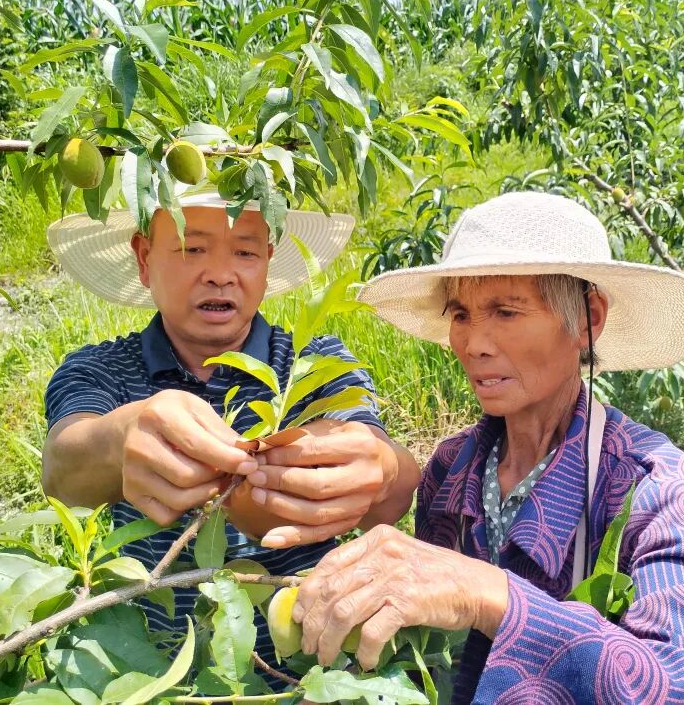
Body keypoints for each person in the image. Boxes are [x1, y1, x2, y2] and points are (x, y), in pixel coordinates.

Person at [291, 191, 684, 703]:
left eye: (506, 312)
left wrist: (490, 595)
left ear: (589, 317)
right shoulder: (451, 468)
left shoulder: (652, 488)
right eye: (461, 315)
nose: (474, 344)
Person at [41, 181, 420, 664]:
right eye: (191, 247)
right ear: (144, 257)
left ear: (268, 259)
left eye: (245, 252)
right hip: (153, 669)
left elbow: (390, 483)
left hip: (307, 672)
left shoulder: (314, 365)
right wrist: (120, 437)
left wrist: (383, 468)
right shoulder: (102, 370)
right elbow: (63, 469)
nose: (220, 275)